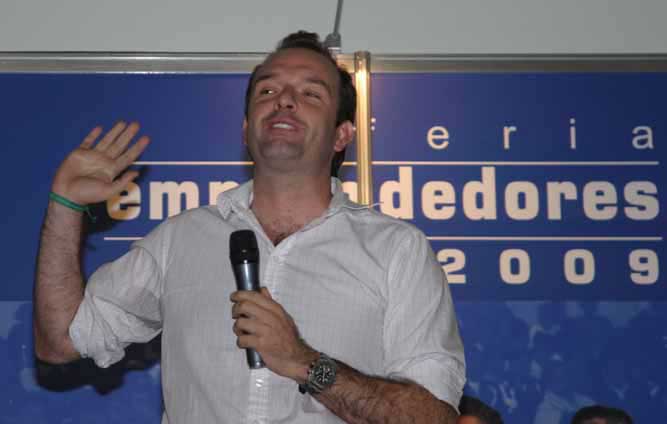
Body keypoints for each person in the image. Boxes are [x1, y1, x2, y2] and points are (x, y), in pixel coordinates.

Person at [34, 31, 466, 423]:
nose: (284, 100)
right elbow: (61, 340)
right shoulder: (180, 239)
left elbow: (433, 418)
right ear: (246, 130)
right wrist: (65, 205)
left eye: (310, 93)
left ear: (341, 135)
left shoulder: (397, 250)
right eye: (268, 90)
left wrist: (305, 363)